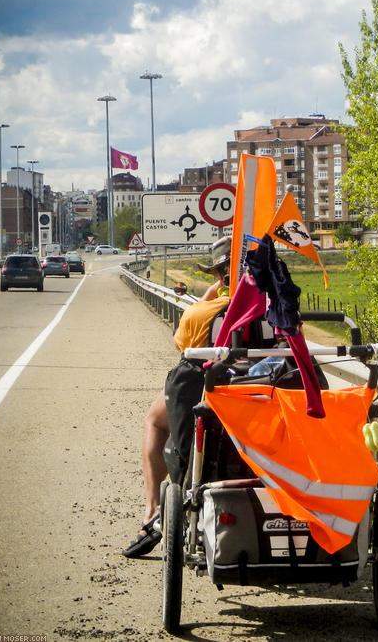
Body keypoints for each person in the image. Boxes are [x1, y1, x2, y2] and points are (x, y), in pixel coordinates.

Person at [122, 236, 232, 558]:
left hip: (212, 390)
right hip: (262, 389)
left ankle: (153, 509)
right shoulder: (274, 306)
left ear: (218, 275)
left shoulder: (201, 313)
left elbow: (182, 348)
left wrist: (208, 300)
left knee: (154, 421)